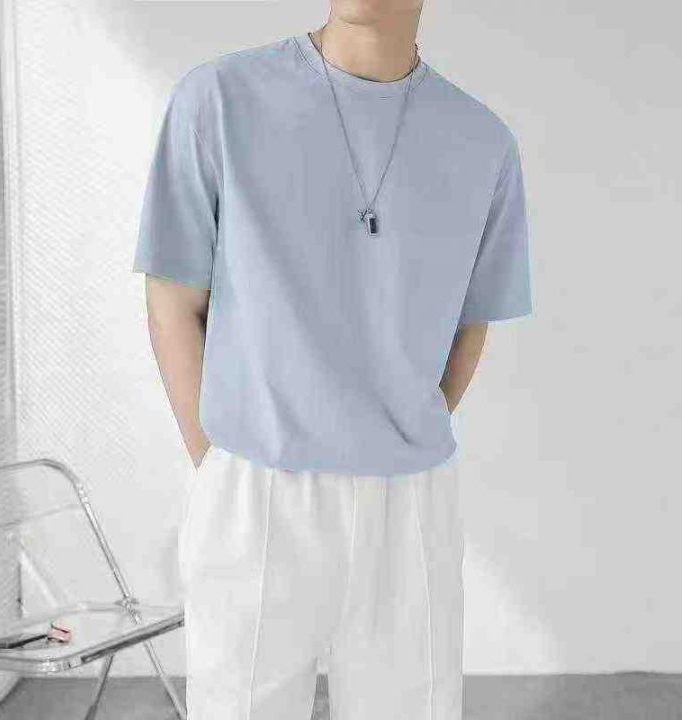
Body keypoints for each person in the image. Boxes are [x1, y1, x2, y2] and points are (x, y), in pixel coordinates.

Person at [132, 2, 532, 718]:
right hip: (255, 490)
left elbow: (470, 322)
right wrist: (220, 464)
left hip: (411, 504)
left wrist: (398, 430)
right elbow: (173, 300)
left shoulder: (483, 142)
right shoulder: (218, 100)